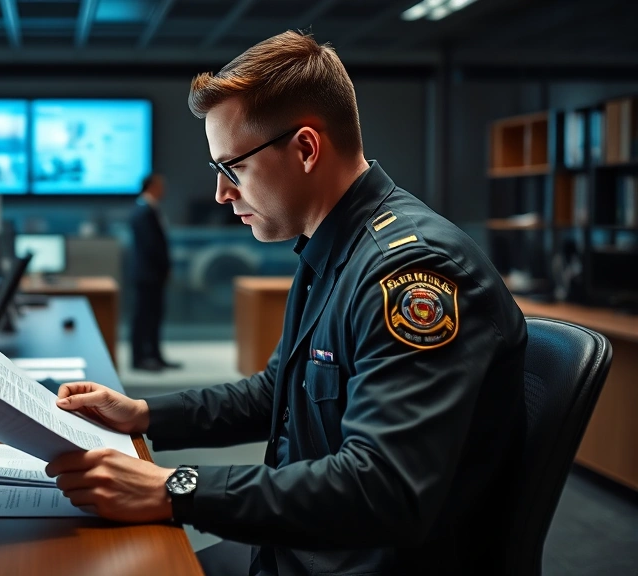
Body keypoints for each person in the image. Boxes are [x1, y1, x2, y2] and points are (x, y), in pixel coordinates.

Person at [45, 30, 527, 576]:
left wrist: (175, 487)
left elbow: (383, 488)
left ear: (305, 148)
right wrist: (145, 414)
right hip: (304, 547)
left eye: (235, 168)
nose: (224, 193)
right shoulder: (330, 248)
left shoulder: (410, 272)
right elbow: (276, 392)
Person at [129, 174, 181, 371]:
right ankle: (139, 358)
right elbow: (151, 246)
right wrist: (163, 266)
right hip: (147, 274)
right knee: (143, 316)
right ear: (151, 187)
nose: (164, 190)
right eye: (161, 186)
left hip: (154, 274)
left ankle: (155, 356)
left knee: (155, 316)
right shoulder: (142, 211)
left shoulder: (150, 209)